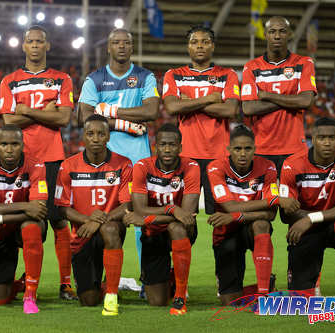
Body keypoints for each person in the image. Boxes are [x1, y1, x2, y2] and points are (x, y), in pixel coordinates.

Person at [78, 28, 160, 294]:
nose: (122, 47)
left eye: (127, 43)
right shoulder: (95, 78)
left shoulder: (145, 76)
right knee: (101, 219)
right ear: (108, 48)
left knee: (142, 223)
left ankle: (149, 280)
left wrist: (109, 113)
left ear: (132, 47)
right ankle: (99, 280)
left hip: (138, 161)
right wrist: (127, 123)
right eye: (116, 42)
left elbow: (151, 111)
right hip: (105, 163)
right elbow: (84, 117)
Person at [0, 25, 76, 300]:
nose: (34, 45)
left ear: (47, 45)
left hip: (53, 159)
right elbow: (9, 121)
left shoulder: (62, 79)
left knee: (58, 219)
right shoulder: (9, 80)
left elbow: (64, 118)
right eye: (29, 41)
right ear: (23, 45)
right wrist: (45, 112)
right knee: (20, 220)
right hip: (19, 162)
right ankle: (22, 278)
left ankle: (66, 283)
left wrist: (26, 111)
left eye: (39, 41)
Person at [206, 125, 298, 305]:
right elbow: (230, 206)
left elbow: (270, 215)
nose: (242, 153)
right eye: (237, 149)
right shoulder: (215, 167)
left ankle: (263, 295)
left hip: (250, 227)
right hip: (226, 233)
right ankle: (266, 284)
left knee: (261, 224)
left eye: (247, 148)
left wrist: (236, 216)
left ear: (254, 149)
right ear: (229, 149)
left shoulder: (268, 168)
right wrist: (274, 200)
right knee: (229, 301)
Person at [279, 117, 335, 316]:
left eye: (332, 137)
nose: (327, 142)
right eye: (321, 137)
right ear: (312, 139)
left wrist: (310, 218)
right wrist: (307, 220)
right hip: (307, 228)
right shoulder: (292, 165)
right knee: (300, 301)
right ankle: (311, 279)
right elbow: (285, 212)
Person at [54, 114, 132, 316]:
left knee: (110, 229)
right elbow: (62, 207)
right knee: (89, 300)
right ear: (83, 137)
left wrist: (98, 221)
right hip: (82, 234)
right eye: (90, 133)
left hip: (109, 229)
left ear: (108, 137)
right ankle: (107, 283)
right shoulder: (68, 166)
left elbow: (127, 204)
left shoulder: (123, 164)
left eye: (101, 134)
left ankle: (112, 296)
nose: (95, 138)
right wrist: (88, 220)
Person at [162, 24, 240, 215]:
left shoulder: (227, 74)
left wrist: (189, 104)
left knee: (220, 215)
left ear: (212, 46)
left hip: (219, 155)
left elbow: (230, 110)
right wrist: (209, 99)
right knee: (185, 216)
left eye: (205, 42)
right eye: (194, 42)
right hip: (186, 155)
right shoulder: (174, 74)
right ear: (188, 47)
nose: (199, 46)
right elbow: (172, 107)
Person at [0, 125, 48, 314]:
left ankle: (30, 294)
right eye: (4, 144)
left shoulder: (36, 165)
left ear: (22, 145)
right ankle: (19, 284)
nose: (9, 148)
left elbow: (38, 211)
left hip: (23, 227)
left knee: (31, 225)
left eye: (14, 144)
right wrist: (24, 206)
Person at [125, 123, 199, 315]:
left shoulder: (191, 167)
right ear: (155, 146)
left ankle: (180, 297)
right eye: (163, 144)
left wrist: (149, 218)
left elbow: (188, 215)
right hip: (153, 234)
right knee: (157, 301)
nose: (167, 149)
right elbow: (139, 209)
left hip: (179, 230)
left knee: (177, 228)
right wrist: (172, 209)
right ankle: (173, 276)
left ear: (180, 147)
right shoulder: (142, 167)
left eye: (172, 145)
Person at [241, 16, 317, 174]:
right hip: (261, 148)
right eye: (272, 31)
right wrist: (290, 98)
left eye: (282, 31)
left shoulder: (304, 63)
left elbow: (306, 101)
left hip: (294, 148)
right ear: (265, 35)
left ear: (289, 34)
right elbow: (248, 108)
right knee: (263, 198)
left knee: (294, 198)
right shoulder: (251, 67)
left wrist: (268, 95)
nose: (277, 36)